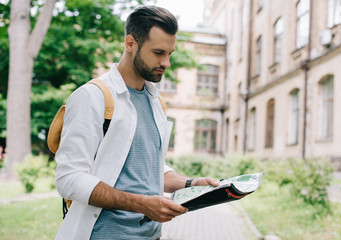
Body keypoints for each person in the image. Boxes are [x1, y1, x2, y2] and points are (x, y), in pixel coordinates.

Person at [54, 5, 219, 240]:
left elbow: (147, 169)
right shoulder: (92, 97)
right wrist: (142, 204)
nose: (166, 63)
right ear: (130, 43)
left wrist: (191, 184)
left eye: (169, 54)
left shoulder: (156, 102)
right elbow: (69, 179)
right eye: (158, 52)